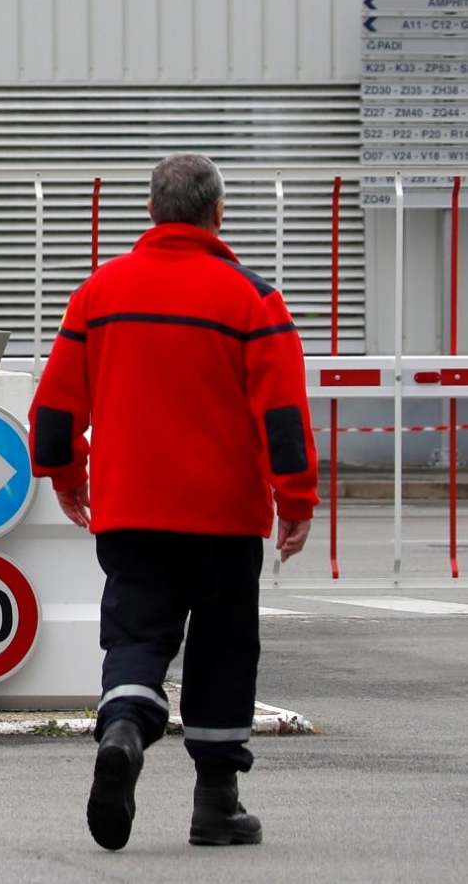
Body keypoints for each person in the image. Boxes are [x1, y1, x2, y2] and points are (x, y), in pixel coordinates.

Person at [29, 153, 317, 852]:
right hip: (223, 518)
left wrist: (66, 475)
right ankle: (216, 804)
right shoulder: (252, 298)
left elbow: (55, 410)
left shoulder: (100, 292)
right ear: (217, 214)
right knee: (223, 651)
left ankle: (125, 728)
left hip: (131, 513)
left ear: (154, 212)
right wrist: (296, 497)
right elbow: (283, 413)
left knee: (135, 635)